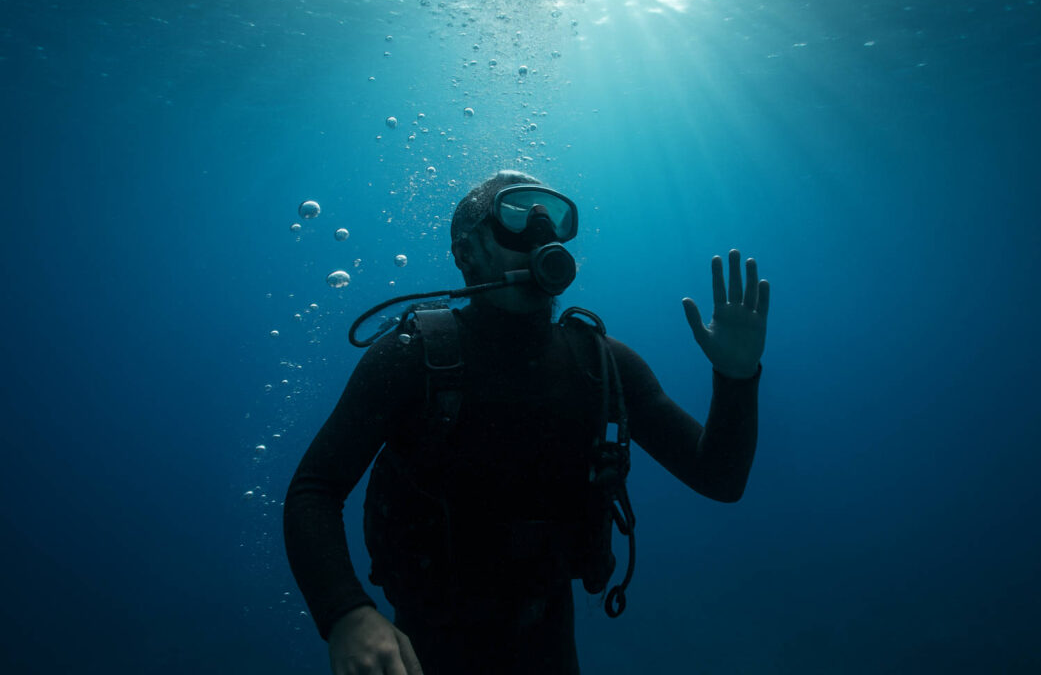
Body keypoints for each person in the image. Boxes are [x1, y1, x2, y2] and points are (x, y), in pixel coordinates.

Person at [283, 170, 770, 675]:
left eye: (551, 222)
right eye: (515, 219)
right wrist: (346, 614)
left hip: (549, 646)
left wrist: (736, 378)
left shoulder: (600, 363)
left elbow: (719, 477)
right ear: (467, 253)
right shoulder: (412, 357)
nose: (541, 236)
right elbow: (314, 490)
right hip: (425, 650)